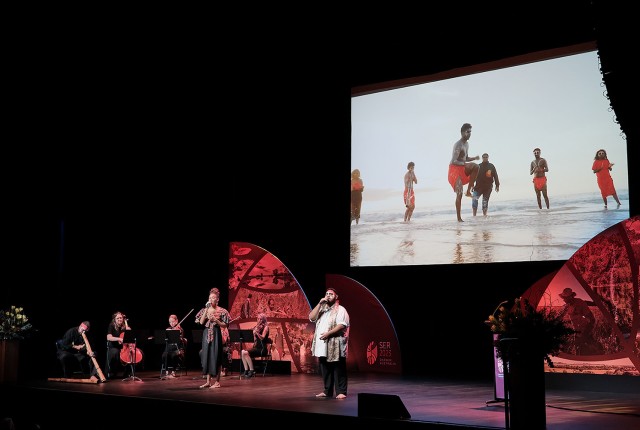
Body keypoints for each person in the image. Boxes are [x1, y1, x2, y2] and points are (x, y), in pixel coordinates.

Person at [309, 287, 350, 400]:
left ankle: (341, 391)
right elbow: (311, 317)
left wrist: (328, 334)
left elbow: (342, 325)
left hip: (335, 343)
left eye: (331, 294)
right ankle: (327, 390)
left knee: (338, 368)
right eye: (326, 294)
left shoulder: (341, 309)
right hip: (323, 345)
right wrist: (319, 303)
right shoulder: (322, 310)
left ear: (336, 297)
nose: (328, 295)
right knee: (325, 368)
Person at [195, 288, 230, 388]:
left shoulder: (222, 311)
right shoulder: (205, 309)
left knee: (216, 356)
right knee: (207, 356)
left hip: (216, 333)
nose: (211, 299)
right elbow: (201, 322)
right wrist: (206, 310)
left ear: (217, 299)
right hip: (206, 334)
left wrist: (216, 320)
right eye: (210, 298)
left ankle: (217, 382)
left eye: (213, 298)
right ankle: (208, 381)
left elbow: (225, 325)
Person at [448, 123, 480, 222]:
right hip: (454, 170)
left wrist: (474, 158)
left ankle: (469, 191)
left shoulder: (467, 144)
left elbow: (465, 158)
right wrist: (464, 163)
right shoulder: (458, 145)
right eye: (467, 132)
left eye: (470, 132)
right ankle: (459, 218)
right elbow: (454, 160)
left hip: (461, 167)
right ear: (462, 133)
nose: (469, 134)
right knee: (459, 194)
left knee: (476, 166)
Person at [558, 288, 599, 355]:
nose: (564, 300)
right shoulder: (566, 306)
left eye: (566, 298)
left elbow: (592, 319)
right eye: (563, 297)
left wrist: (584, 335)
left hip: (586, 332)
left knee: (589, 353)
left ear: (571, 296)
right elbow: (560, 317)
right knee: (578, 352)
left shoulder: (580, 302)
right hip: (576, 333)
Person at [240, 313, 271, 378]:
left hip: (262, 349)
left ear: (263, 320)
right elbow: (255, 340)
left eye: (260, 319)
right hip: (256, 347)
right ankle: (246, 370)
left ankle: (252, 370)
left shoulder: (266, 327)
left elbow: (262, 337)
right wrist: (254, 334)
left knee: (245, 353)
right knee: (242, 352)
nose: (258, 320)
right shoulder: (257, 327)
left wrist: (256, 332)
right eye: (258, 318)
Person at [105, 311, 132, 379]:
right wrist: (119, 339)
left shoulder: (124, 326)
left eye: (121, 318)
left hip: (123, 347)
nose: (120, 319)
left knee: (131, 353)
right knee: (115, 352)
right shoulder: (112, 325)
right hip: (113, 346)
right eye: (118, 318)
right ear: (115, 319)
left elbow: (129, 336)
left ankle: (127, 373)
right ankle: (110, 372)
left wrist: (128, 328)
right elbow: (109, 337)